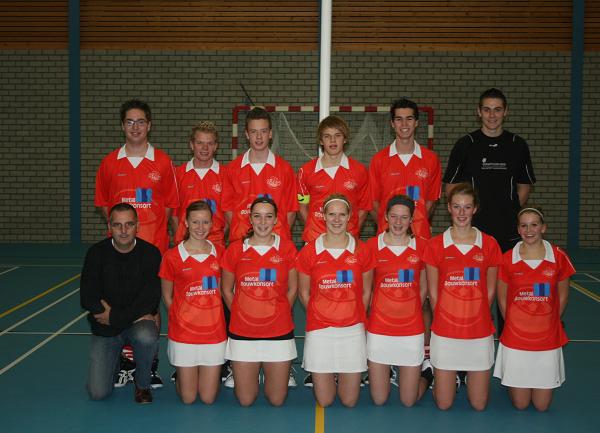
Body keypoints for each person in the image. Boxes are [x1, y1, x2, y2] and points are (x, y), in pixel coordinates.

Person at [94, 98, 177, 388]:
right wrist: (122, 234)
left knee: (150, 308)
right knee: (119, 303)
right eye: (130, 122)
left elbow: (170, 207)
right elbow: (105, 206)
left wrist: (153, 234)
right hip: (119, 251)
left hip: (153, 250)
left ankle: (148, 366)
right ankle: (125, 364)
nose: (135, 127)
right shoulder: (109, 163)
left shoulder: (163, 162)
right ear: (122, 126)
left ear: (149, 125)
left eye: (141, 121)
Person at [443, 88, 536, 336]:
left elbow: (524, 185)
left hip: (508, 233)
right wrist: (466, 216)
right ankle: (468, 344)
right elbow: (451, 187)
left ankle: (509, 345)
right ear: (479, 112)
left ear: (505, 112)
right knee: (471, 290)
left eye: (497, 110)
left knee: (509, 295)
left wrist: (509, 207)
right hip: (474, 234)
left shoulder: (517, 145)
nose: (492, 115)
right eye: (486, 109)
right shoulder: (466, 144)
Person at [423, 183, 502, 411]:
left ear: (475, 209)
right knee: (444, 404)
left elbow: (490, 290)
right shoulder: (435, 245)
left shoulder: (489, 244)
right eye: (457, 206)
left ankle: (466, 375)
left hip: (478, 330)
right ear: (449, 208)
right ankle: (432, 374)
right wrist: (445, 318)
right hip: (446, 330)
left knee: (479, 404)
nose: (461, 212)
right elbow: (432, 291)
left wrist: (475, 316)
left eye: (467, 207)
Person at [297, 194, 375, 407]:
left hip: (352, 330)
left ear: (350, 216)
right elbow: (304, 293)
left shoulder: (362, 250)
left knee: (349, 401)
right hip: (320, 330)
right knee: (325, 400)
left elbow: (366, 292)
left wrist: (353, 317)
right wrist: (320, 314)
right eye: (332, 214)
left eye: (342, 214)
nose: (337, 219)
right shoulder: (309, 251)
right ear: (323, 216)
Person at [493, 207, 575, 412]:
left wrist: (550, 321)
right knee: (521, 404)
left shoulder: (558, 256)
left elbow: (563, 294)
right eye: (524, 225)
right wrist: (513, 324)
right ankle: (513, 379)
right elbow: (502, 298)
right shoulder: (507, 258)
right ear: (518, 229)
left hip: (547, 337)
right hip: (516, 337)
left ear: (543, 228)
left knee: (541, 405)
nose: (529, 230)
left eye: (534, 225)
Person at [221, 197, 298, 406]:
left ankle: (272, 372)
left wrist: (280, 312)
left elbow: (292, 288)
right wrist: (240, 313)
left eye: (268, 216)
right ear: (250, 219)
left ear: (276, 220)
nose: (263, 222)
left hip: (278, 330)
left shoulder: (287, 248)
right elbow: (226, 289)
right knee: (245, 400)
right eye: (257, 216)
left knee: (277, 400)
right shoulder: (235, 249)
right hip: (243, 332)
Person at [80, 203, 161, 404]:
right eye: (117, 225)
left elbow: (150, 299)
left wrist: (114, 317)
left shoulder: (150, 254)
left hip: (128, 323)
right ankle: (116, 361)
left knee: (146, 334)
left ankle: (142, 385)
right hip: (106, 328)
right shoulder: (96, 253)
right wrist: (119, 318)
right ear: (109, 226)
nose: (123, 230)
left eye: (129, 224)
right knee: (98, 393)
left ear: (137, 226)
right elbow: (88, 297)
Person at [366, 195, 431, 406]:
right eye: (393, 216)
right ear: (386, 217)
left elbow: (423, 287)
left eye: (404, 217)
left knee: (408, 400)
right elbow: (366, 288)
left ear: (411, 219)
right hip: (379, 328)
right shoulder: (372, 246)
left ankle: (428, 374)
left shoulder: (422, 246)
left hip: (411, 328)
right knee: (379, 399)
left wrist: (408, 310)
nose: (398, 222)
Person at [160, 201, 227, 404]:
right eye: (195, 222)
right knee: (188, 398)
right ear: (186, 223)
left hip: (214, 333)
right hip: (184, 334)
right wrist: (181, 318)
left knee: (208, 398)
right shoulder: (172, 256)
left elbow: (224, 290)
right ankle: (183, 375)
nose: (200, 227)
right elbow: (167, 296)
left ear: (212, 224)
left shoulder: (221, 252)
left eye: (205, 222)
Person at [222, 107, 298, 243]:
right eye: (253, 132)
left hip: (276, 242)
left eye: (263, 131)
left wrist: (277, 238)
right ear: (247, 134)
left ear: (270, 134)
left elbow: (291, 211)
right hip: (242, 241)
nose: (258, 137)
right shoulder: (232, 169)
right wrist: (240, 233)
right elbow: (228, 209)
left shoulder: (285, 169)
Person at [369, 98, 441, 239]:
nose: (404, 124)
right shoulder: (379, 160)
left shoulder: (431, 159)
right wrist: (387, 225)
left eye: (409, 119)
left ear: (416, 122)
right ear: (392, 123)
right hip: (387, 237)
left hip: (419, 237)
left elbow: (431, 200)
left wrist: (416, 223)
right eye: (399, 119)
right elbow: (373, 201)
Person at [297, 115, 371, 242]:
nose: (332, 140)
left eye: (337, 135)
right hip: (315, 240)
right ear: (321, 140)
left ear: (345, 139)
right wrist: (314, 231)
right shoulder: (306, 171)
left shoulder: (359, 171)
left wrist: (349, 234)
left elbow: (364, 208)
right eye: (327, 136)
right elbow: (302, 207)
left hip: (348, 240)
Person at [173, 121, 226, 247]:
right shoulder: (178, 174)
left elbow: (230, 216)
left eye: (210, 143)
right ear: (192, 145)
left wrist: (218, 238)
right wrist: (181, 239)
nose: (205, 148)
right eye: (200, 143)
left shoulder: (226, 174)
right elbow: (173, 215)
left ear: (216, 146)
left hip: (216, 245)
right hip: (185, 244)